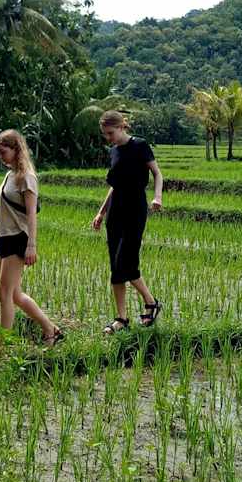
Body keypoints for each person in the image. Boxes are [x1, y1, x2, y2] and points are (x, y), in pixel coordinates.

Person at [0, 128, 63, 363]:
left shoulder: (27, 177)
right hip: (4, 237)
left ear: (16, 149)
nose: (0, 156)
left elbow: (32, 215)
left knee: (4, 293)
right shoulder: (9, 175)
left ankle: (2, 352)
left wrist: (32, 245)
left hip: (19, 238)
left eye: (3, 151)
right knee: (15, 295)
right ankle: (51, 330)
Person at [92, 110, 163, 334]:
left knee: (126, 261)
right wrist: (101, 212)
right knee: (116, 266)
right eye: (105, 134)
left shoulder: (140, 145)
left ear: (122, 127)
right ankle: (121, 319)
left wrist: (158, 196)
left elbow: (157, 174)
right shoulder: (113, 152)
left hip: (135, 209)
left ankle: (151, 302)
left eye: (110, 133)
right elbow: (114, 185)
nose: (108, 138)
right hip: (116, 212)